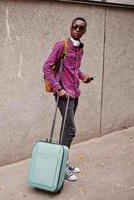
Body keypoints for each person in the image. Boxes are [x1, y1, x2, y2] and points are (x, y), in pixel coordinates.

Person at [42, 17, 92, 181]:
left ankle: (63, 161)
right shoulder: (61, 45)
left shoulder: (80, 49)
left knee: (65, 130)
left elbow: (74, 69)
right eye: (75, 26)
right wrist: (58, 88)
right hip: (64, 96)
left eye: (81, 28)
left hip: (75, 94)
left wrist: (83, 77)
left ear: (84, 32)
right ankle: (61, 166)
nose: (77, 29)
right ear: (70, 28)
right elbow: (47, 67)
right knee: (70, 130)